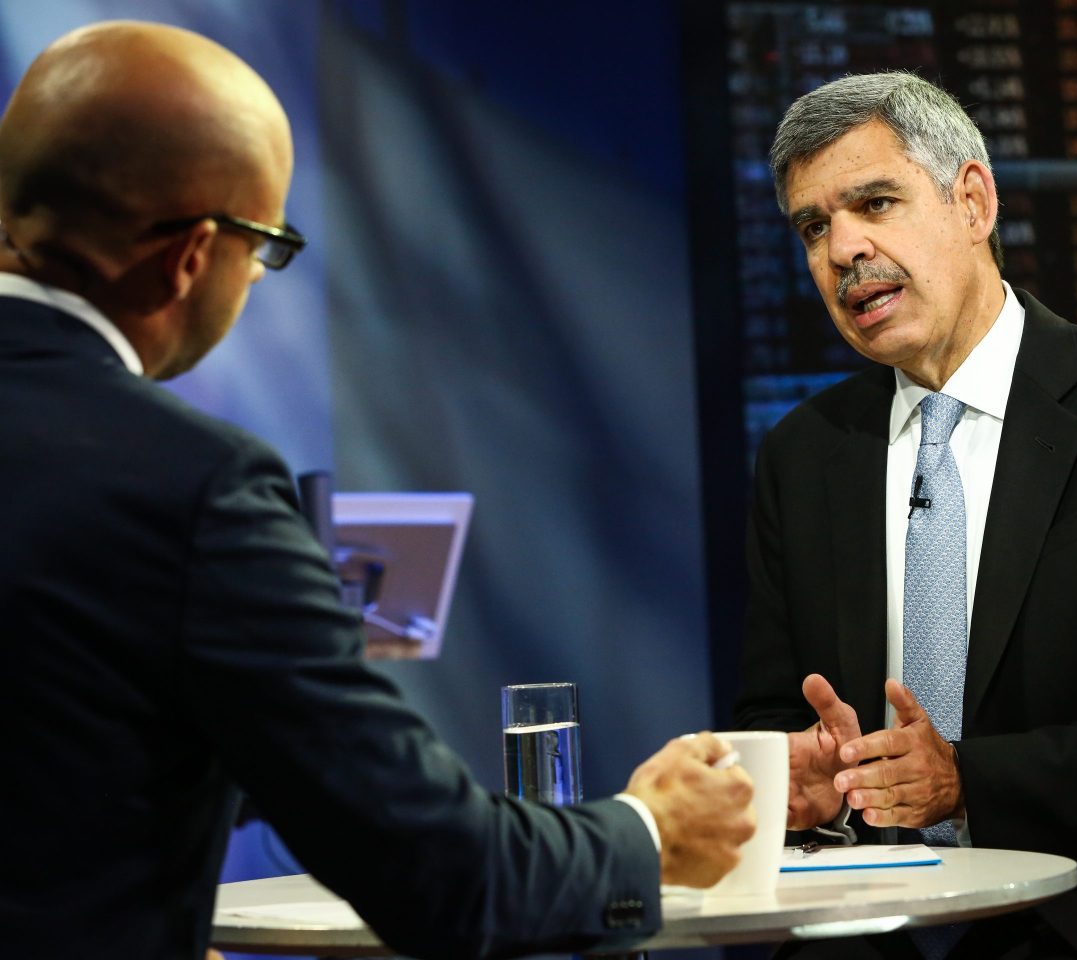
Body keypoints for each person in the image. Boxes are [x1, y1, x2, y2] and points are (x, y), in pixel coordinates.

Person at [0, 21, 755, 960]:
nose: (256, 276)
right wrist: (650, 830)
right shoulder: (191, 486)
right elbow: (442, 873)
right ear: (192, 254)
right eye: (266, 245)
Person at [734, 71, 1077, 959]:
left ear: (973, 201)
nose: (843, 250)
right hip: (870, 922)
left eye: (875, 202)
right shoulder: (803, 454)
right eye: (814, 227)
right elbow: (772, 712)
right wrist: (802, 783)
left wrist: (968, 781)